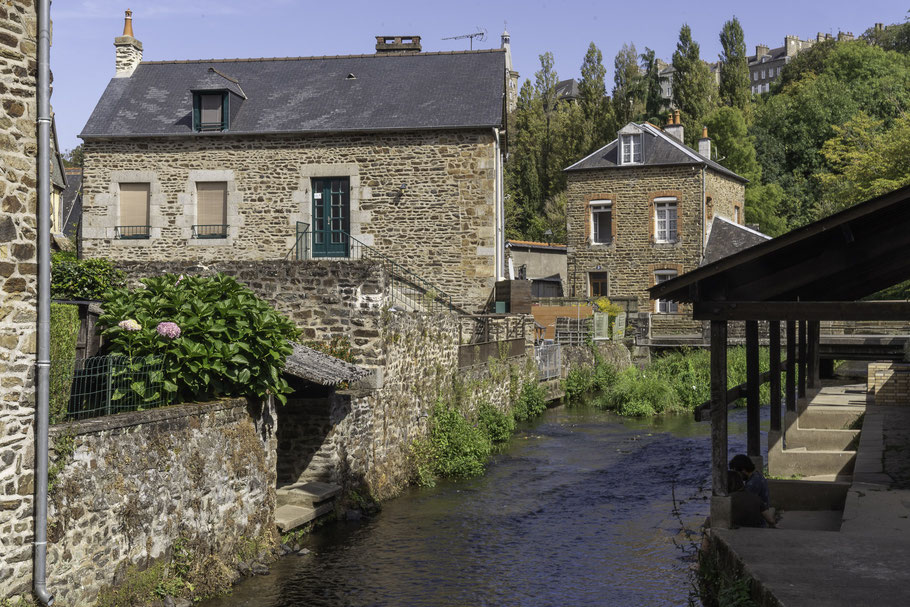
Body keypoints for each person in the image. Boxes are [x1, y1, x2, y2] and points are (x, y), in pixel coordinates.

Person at [729, 454, 776, 528]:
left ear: (743, 470)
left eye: (736, 473)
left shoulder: (753, 483)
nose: (736, 476)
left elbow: (744, 502)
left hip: (757, 522)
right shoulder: (756, 477)